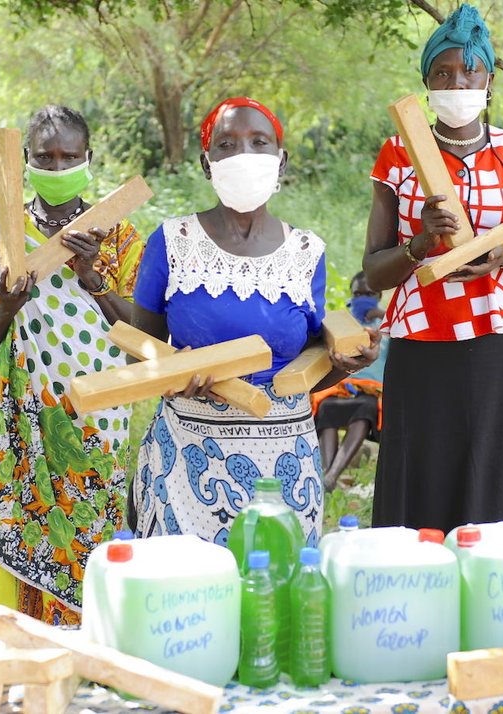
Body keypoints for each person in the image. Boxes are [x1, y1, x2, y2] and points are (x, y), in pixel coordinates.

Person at [130, 97, 379, 547]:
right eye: (227, 144)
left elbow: (306, 370)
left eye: (258, 142)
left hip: (284, 469)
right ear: (208, 164)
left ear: (281, 160)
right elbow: (140, 349)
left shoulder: (307, 253)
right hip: (186, 460)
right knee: (188, 601)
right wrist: (174, 373)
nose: (244, 155)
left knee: (275, 603)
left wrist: (351, 361)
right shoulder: (172, 242)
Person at [362, 4, 503, 533]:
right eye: (442, 73)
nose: (457, 82)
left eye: (469, 71)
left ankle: (490, 596)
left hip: (498, 344)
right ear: (426, 82)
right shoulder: (399, 154)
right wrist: (420, 242)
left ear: (488, 79)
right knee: (420, 471)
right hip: (422, 344)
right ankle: (419, 590)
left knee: (492, 472)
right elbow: (374, 272)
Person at [0, 105, 144, 629]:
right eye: (45, 157)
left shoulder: (121, 237)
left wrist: (91, 275)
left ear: (89, 158)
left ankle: (82, 669)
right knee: (15, 541)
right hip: (15, 419)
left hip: (90, 420)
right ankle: (12, 664)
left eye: (68, 157)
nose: (57, 167)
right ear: (25, 161)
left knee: (86, 540)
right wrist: (7, 308)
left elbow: (142, 336)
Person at [313, 272, 388, 490]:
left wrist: (383, 318)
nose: (363, 297)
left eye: (369, 293)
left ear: (379, 294)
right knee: (326, 406)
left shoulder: (387, 323)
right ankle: (328, 473)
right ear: (351, 295)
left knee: (365, 408)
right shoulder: (342, 322)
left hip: (372, 391)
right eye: (358, 293)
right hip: (341, 386)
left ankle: (332, 475)